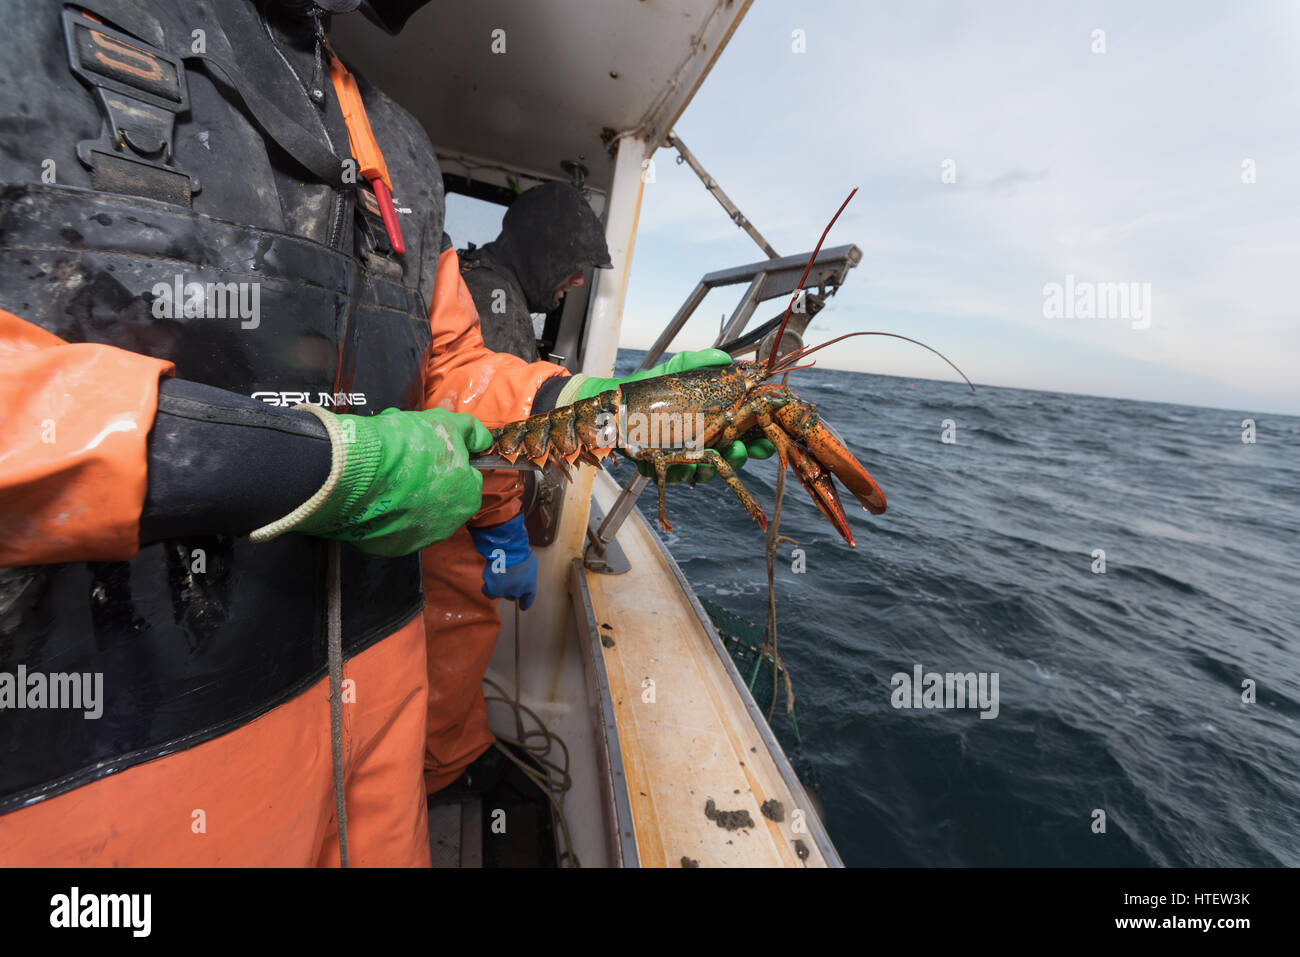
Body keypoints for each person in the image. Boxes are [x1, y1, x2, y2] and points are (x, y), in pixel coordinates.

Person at [0, 0, 750, 865]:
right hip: (104, 801)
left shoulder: (399, 149)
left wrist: (593, 405)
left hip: (377, 775)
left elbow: (454, 373)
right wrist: (317, 467)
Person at [459, 181, 613, 362]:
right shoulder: (501, 312)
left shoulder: (481, 275)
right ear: (543, 255)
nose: (579, 281)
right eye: (574, 265)